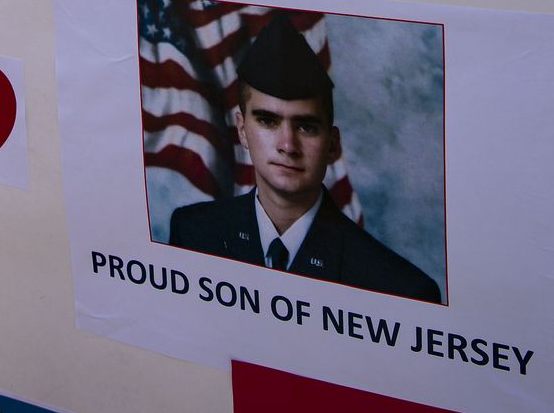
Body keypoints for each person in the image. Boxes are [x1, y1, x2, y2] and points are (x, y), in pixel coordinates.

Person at [168, 16, 443, 303]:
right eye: (268, 121)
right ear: (242, 131)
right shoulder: (193, 234)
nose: (288, 145)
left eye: (306, 126)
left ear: (333, 145)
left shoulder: (398, 289)